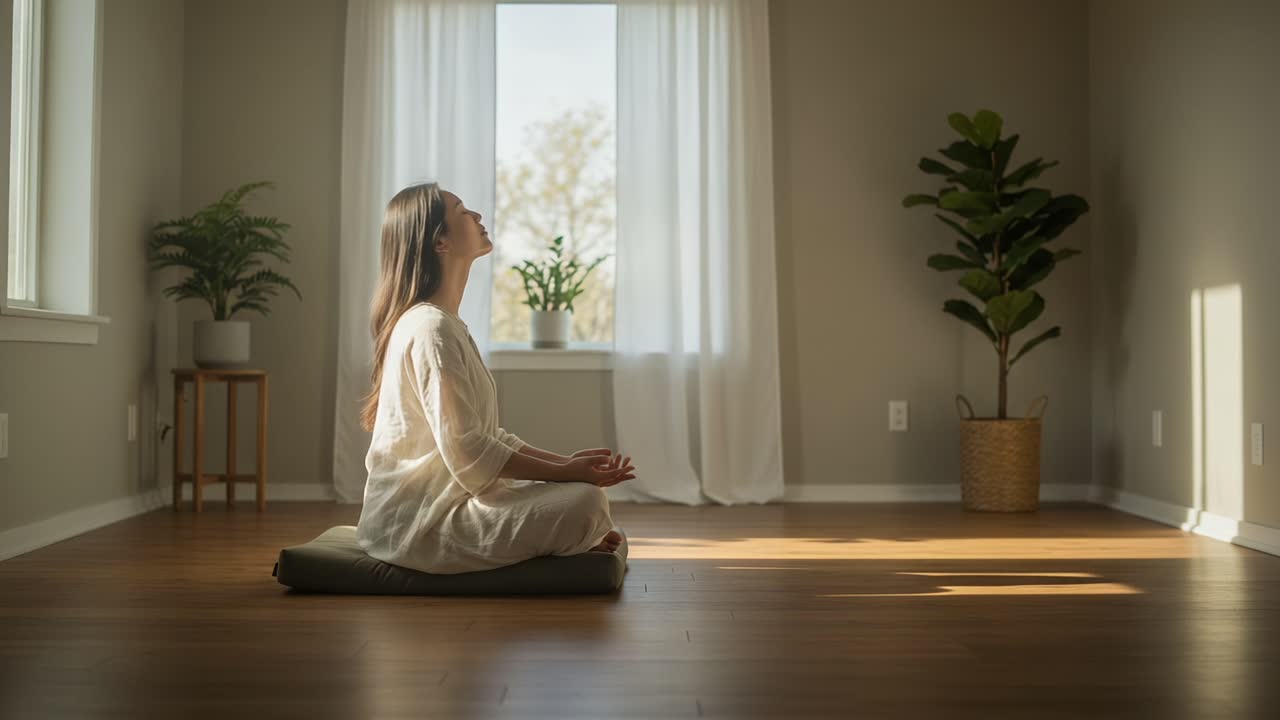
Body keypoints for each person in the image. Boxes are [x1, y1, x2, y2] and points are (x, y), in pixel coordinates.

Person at [354, 182, 635, 575]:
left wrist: (566, 464)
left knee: (579, 497)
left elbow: (488, 438)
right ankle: (568, 539)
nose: (477, 216)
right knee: (585, 504)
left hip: (448, 500)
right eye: (462, 210)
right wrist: (565, 475)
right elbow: (469, 451)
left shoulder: (444, 325)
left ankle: (567, 537)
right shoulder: (430, 329)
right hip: (418, 527)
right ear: (440, 242)